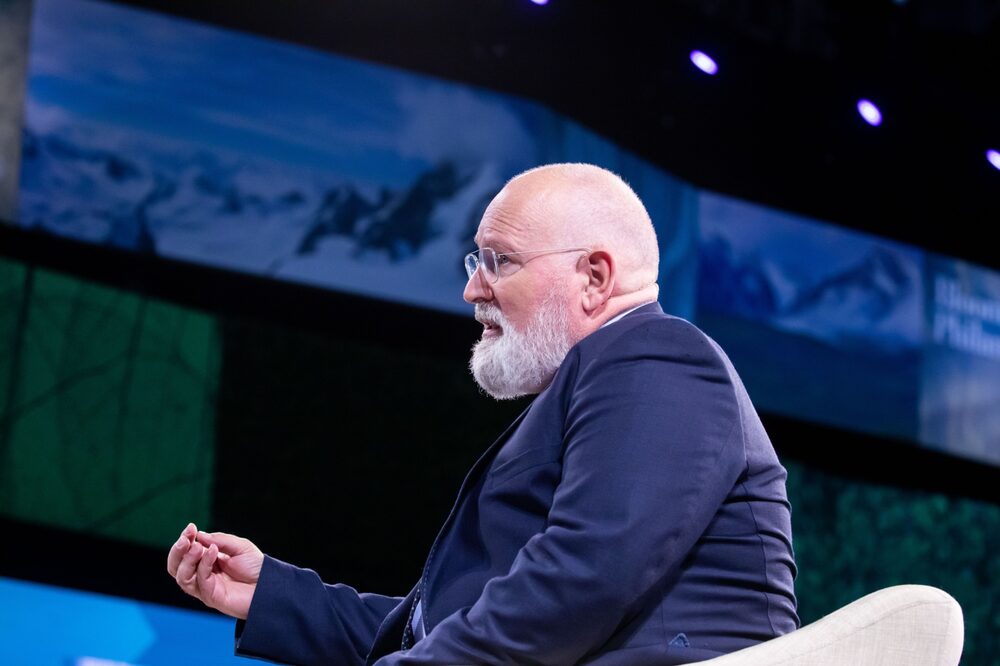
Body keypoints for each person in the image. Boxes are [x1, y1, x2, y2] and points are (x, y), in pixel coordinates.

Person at [167, 163, 798, 665]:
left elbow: (582, 580)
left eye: (498, 260)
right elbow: (437, 628)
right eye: (476, 262)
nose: (473, 288)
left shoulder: (658, 357)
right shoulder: (606, 379)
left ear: (595, 276)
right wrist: (272, 596)